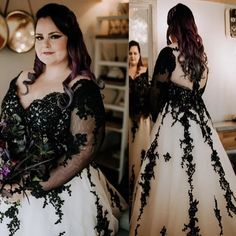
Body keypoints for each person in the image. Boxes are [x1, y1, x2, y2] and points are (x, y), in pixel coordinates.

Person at [0, 3, 127, 236]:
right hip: (9, 179)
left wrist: (26, 187)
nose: (44, 44)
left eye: (54, 36)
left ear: (71, 39)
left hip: (58, 187)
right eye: (39, 37)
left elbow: (83, 151)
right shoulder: (22, 79)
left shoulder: (81, 87)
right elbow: (5, 130)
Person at [130, 3, 236, 235]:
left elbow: (155, 95)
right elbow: (200, 93)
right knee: (204, 175)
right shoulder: (202, 58)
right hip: (201, 123)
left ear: (173, 27)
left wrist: (159, 119)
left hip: (173, 122)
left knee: (170, 182)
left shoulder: (169, 54)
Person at [128, 40, 151, 204]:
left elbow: (151, 95)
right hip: (129, 119)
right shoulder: (125, 73)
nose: (133, 56)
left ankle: (143, 185)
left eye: (135, 53)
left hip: (143, 119)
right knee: (131, 153)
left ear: (139, 54)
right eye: (130, 53)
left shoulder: (146, 71)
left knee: (142, 151)